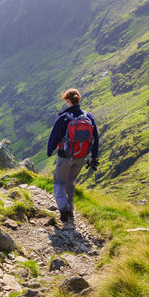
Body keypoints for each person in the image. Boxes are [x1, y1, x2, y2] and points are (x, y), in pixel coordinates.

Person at [47, 88, 99, 223]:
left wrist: (50, 150)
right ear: (79, 99)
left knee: (58, 182)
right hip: (81, 156)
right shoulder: (88, 117)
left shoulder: (63, 118)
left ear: (67, 100)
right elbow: (95, 138)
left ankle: (63, 209)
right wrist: (93, 157)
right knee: (70, 182)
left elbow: (54, 137)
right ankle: (70, 209)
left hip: (65, 156)